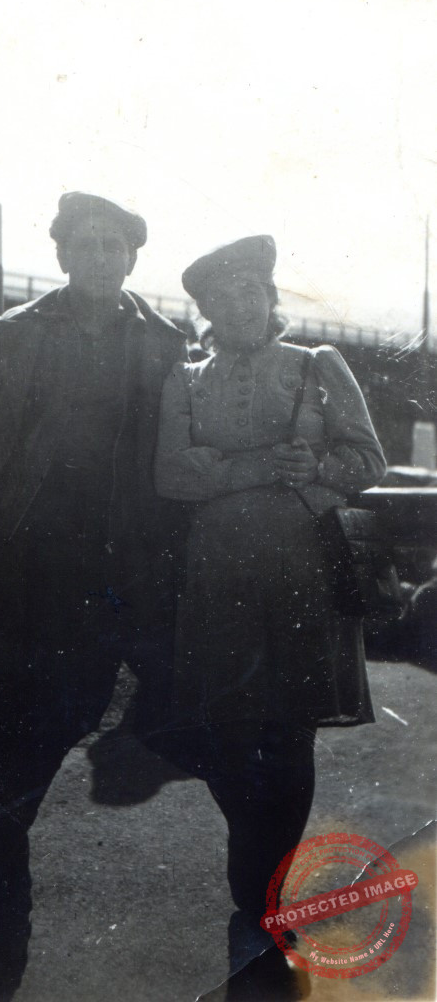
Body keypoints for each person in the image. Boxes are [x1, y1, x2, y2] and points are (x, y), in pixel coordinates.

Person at [0, 192, 186, 1000]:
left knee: (26, 761)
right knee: (1, 759)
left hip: (100, 594)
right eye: (85, 243)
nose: (99, 256)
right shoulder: (12, 334)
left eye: (113, 245)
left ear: (132, 257)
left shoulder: (165, 344)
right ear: (61, 254)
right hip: (6, 584)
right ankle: (4, 932)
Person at [154, 234, 386, 987]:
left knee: (289, 733)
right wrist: (260, 469)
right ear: (206, 310)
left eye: (251, 291)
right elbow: (171, 477)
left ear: (271, 297)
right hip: (217, 576)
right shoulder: (185, 377)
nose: (239, 305)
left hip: (300, 573)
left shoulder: (317, 366)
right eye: (222, 297)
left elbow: (369, 460)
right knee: (224, 732)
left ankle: (268, 894)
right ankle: (254, 870)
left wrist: (317, 466)